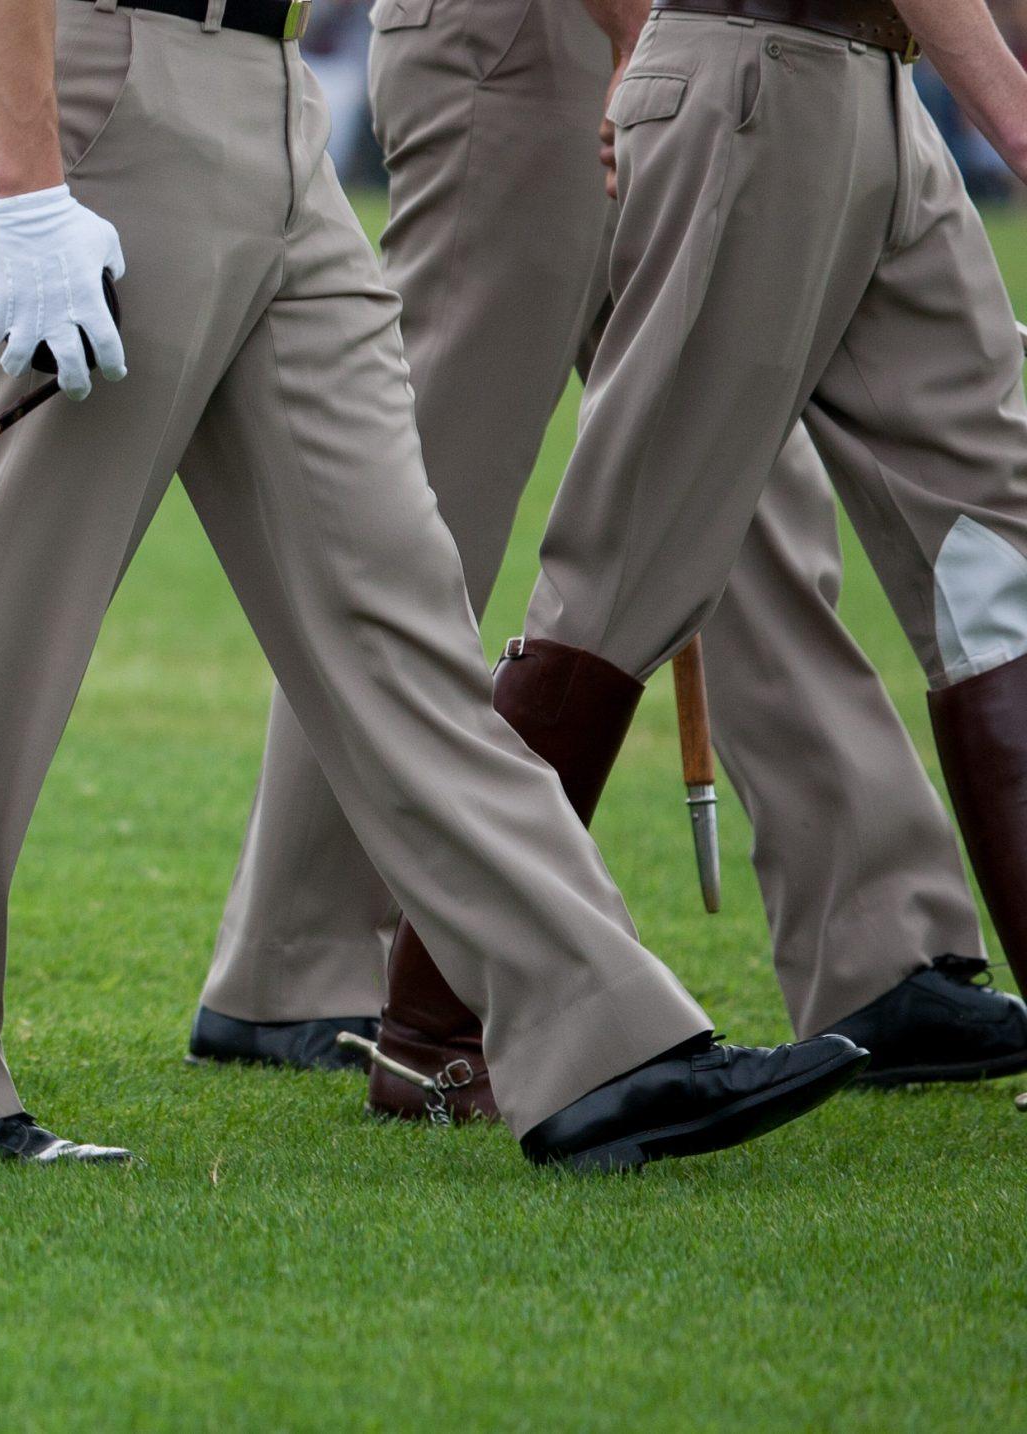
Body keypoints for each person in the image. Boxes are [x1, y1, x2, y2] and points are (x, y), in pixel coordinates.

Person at [0, 0, 868, 1168]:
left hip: (277, 98)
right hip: (113, 90)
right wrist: (29, 190)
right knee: (8, 617)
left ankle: (602, 1041)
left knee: (400, 614)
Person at [189, 0, 1027, 1115]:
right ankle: (313, 961)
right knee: (421, 505)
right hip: (542, 40)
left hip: (813, 54)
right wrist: (638, 34)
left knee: (739, 508)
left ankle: (875, 944)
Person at [430, 0, 1027, 1052]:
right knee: (624, 572)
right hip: (752, 72)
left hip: (878, 80)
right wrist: (1014, 113)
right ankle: (430, 1024)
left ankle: (884, 970)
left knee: (999, 546)